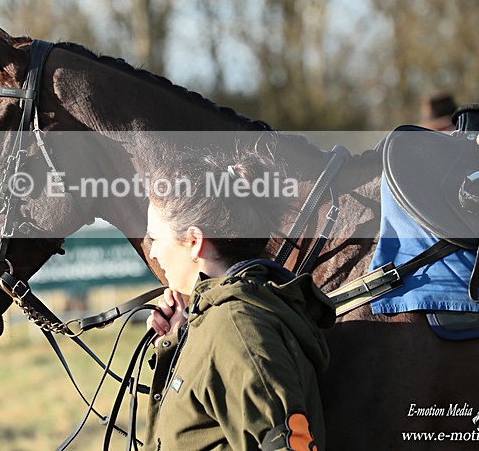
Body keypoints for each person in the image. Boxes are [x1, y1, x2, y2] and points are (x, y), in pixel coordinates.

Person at [143, 150, 336, 450]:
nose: (152, 252)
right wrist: (176, 339)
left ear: (194, 242)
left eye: (155, 238)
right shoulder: (217, 319)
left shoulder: (237, 327)